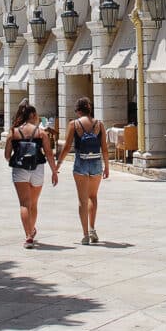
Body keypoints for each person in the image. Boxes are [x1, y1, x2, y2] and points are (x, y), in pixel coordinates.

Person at [56, 96, 109, 245]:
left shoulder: (74, 124)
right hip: (96, 162)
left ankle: (85, 234)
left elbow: (67, 147)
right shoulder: (100, 124)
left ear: (78, 111)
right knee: (93, 196)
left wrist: (57, 165)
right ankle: (92, 229)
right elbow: (104, 147)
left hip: (81, 162)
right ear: (90, 109)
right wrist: (107, 167)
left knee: (82, 199)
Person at [5, 100, 58, 248]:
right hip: (38, 168)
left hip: (20, 168)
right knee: (33, 203)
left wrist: (15, 161)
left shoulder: (14, 132)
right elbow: (48, 154)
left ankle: (28, 235)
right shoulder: (41, 133)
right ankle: (32, 230)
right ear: (33, 115)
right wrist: (54, 171)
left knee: (24, 203)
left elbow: (7, 155)